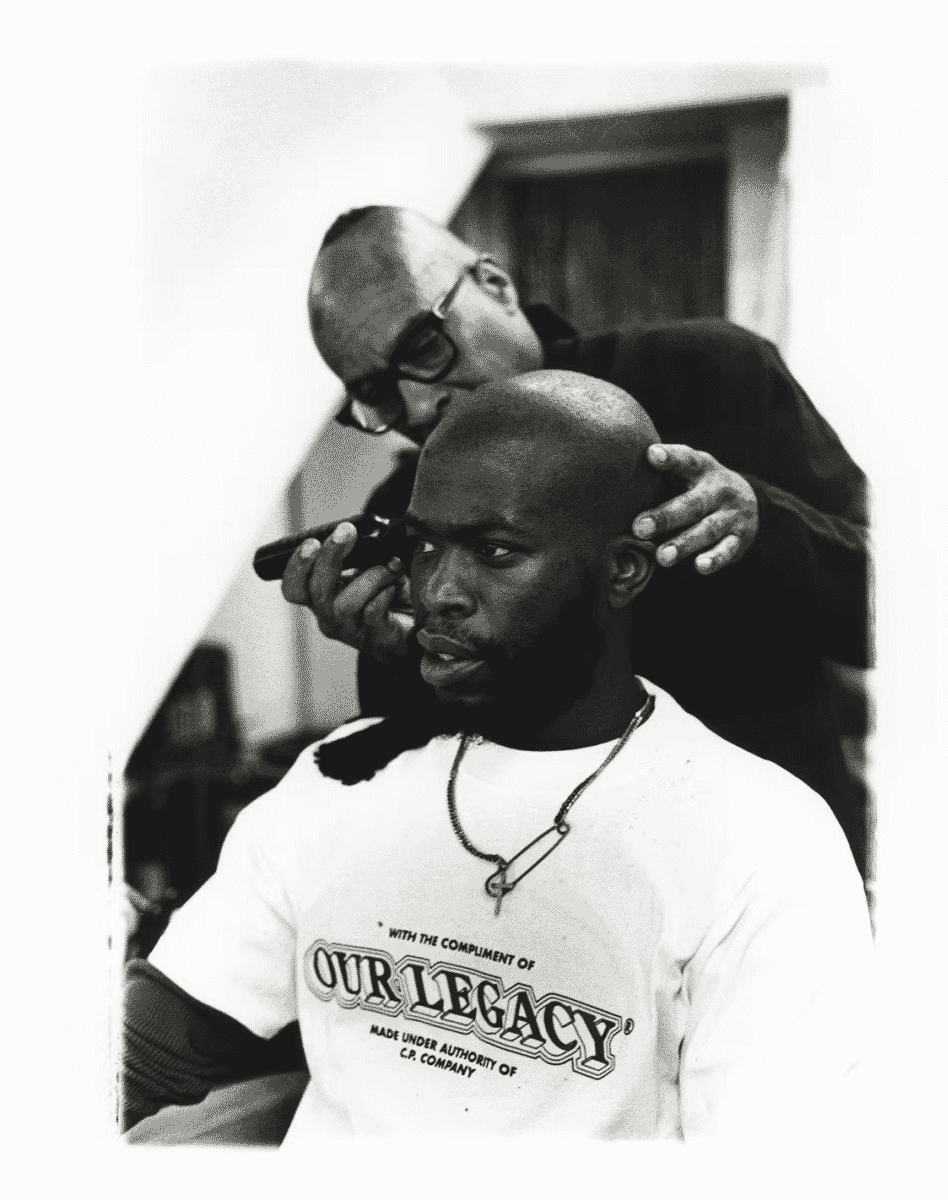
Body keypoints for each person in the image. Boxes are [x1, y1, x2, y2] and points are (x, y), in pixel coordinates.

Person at [123, 371, 873, 1141]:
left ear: (622, 570)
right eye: (423, 545)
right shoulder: (341, 776)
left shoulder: (760, 838)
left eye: (495, 550)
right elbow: (150, 1047)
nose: (437, 591)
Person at [289, 206, 872, 880]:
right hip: (560, 895)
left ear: (495, 287)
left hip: (778, 875)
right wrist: (399, 659)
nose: (416, 410)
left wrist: (762, 519)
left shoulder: (712, 374)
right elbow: (432, 777)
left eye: (422, 348)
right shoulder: (402, 514)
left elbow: (902, 623)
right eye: (374, 394)